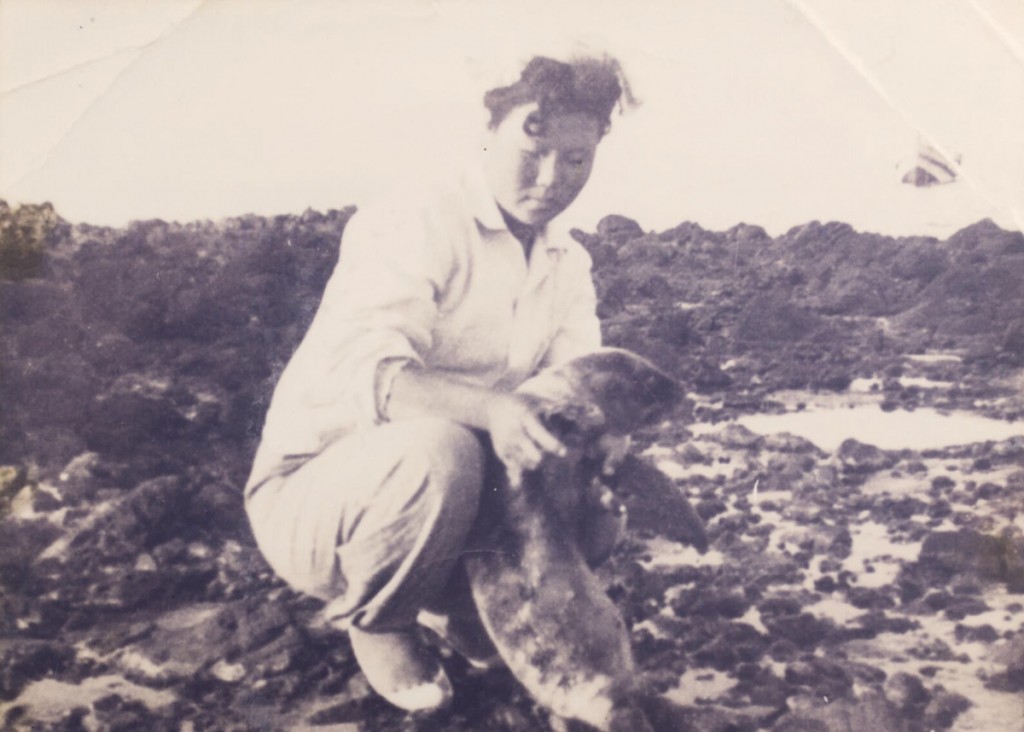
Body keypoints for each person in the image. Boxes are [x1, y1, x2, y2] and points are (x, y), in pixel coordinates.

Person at [244, 53, 632, 712]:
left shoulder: (568, 260)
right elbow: (373, 375)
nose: (551, 179)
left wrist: (603, 439)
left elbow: (574, 388)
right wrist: (497, 410)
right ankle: (379, 618)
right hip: (319, 502)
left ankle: (465, 611)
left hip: (449, 502)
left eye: (576, 159)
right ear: (490, 131)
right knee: (442, 449)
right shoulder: (419, 217)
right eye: (532, 151)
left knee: (597, 501)